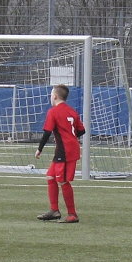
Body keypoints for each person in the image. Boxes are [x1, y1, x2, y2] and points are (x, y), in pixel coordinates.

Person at [35, 84, 86, 223]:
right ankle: (54, 210)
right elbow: (81, 130)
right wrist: (68, 135)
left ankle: (72, 214)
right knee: (50, 176)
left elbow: (47, 132)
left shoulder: (53, 112)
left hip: (65, 150)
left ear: (55, 96)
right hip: (68, 148)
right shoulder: (72, 111)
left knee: (63, 181)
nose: (50, 97)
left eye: (51, 95)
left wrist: (39, 149)